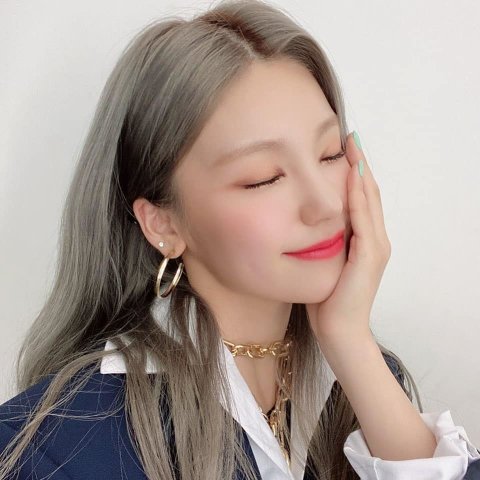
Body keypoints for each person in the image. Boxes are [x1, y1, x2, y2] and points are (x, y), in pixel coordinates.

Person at [1, 0, 479, 478]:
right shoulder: (56, 447)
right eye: (263, 177)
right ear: (163, 224)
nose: (325, 204)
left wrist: (351, 342)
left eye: (331, 154)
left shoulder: (366, 381)